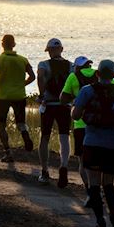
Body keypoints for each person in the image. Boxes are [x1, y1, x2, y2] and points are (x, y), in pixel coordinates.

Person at [71, 59, 114, 227]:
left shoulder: (87, 91)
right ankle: (113, 213)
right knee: (108, 183)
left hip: (91, 142)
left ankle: (100, 223)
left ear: (97, 74)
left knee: (94, 184)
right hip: (113, 145)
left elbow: (76, 114)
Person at [60, 55, 101, 203]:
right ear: (89, 66)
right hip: (100, 125)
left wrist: (74, 102)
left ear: (77, 67)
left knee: (83, 162)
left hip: (81, 126)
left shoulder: (73, 76)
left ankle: (90, 192)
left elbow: (62, 98)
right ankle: (98, 189)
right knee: (98, 161)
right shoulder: (99, 75)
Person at [0, 34, 35, 163]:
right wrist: (22, 84)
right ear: (14, 45)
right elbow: (32, 76)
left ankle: (8, 152)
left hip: (4, 96)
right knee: (21, 123)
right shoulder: (23, 60)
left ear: (2, 44)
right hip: (19, 95)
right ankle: (25, 135)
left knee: (2, 125)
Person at [36, 37, 73, 186]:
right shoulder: (71, 65)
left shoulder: (43, 64)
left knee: (45, 137)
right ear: (62, 50)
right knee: (64, 137)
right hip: (65, 105)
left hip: (49, 104)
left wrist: (41, 94)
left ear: (49, 51)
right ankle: (63, 166)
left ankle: (44, 171)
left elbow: (40, 77)